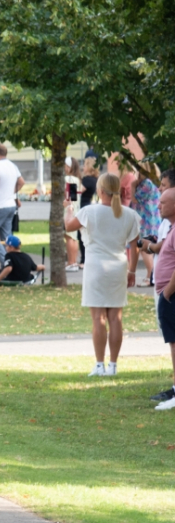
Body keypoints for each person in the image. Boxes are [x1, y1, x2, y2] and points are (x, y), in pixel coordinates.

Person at [63, 173, 142, 377]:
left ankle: (99, 364)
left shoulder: (89, 211)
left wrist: (68, 208)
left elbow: (68, 225)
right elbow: (134, 248)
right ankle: (113, 365)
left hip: (96, 267)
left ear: (100, 191)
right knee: (115, 318)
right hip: (118, 266)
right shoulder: (129, 214)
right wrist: (132, 270)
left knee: (98, 318)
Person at [142, 188, 175, 409]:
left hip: (171, 295)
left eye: (163, 202)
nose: (158, 206)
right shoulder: (170, 229)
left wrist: (167, 292)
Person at [133, 169, 161, 286]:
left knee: (145, 247)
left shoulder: (146, 183)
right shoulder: (150, 182)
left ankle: (150, 276)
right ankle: (150, 275)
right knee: (147, 247)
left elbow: (134, 199)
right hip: (151, 218)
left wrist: (132, 185)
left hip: (147, 219)